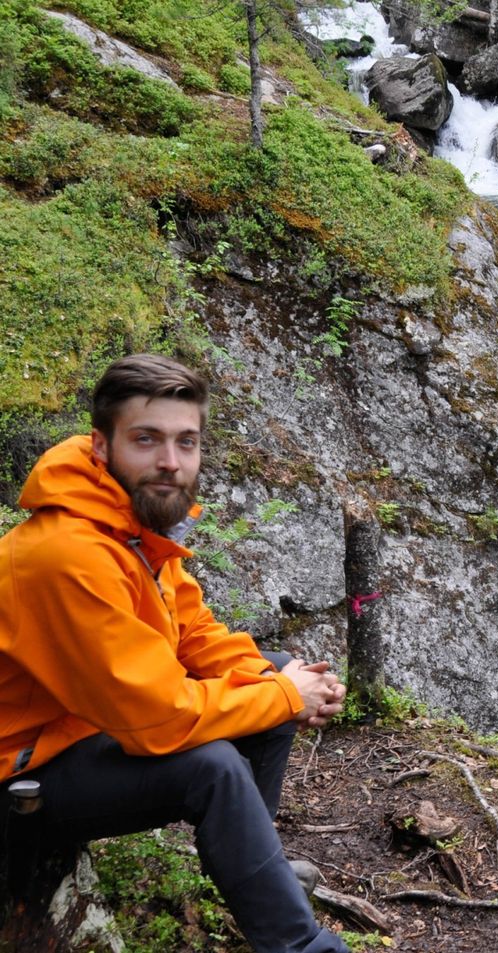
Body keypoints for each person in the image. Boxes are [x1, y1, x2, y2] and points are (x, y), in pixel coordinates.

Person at [0, 354, 350, 953]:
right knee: (212, 765)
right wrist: (286, 696)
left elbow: (193, 634)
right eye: (147, 440)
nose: (170, 462)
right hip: (18, 774)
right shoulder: (66, 554)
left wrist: (279, 679)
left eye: (186, 442)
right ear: (101, 446)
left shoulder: (130, 528)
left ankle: (250, 861)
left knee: (268, 674)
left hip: (75, 728)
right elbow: (159, 722)